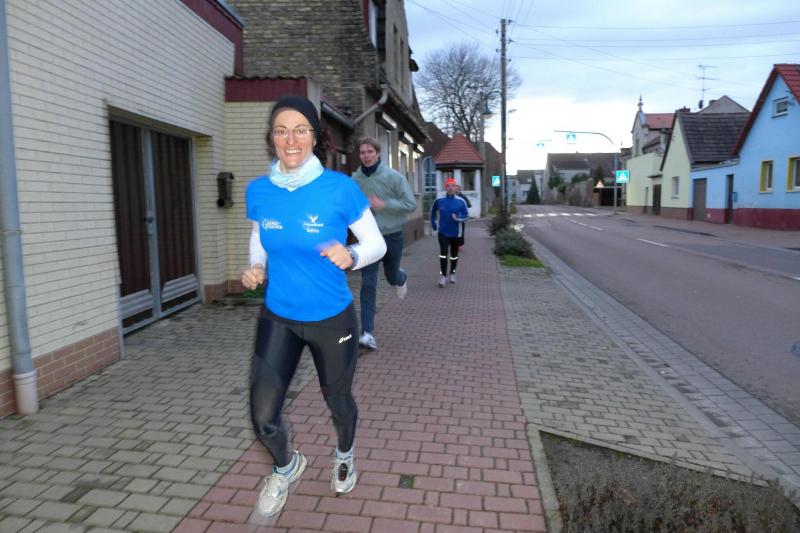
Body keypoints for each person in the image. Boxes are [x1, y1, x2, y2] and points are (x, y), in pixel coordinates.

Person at [241, 96, 386, 517]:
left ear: (315, 137)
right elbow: (260, 236)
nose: (291, 139)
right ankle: (286, 467)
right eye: (282, 130)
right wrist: (257, 265)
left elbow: (375, 243)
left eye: (300, 130)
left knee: (338, 400)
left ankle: (344, 454)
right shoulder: (259, 190)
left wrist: (352, 255)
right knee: (263, 416)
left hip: (332, 320)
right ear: (272, 138)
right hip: (279, 317)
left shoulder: (340, 188)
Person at [351, 137, 416, 351]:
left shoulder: (393, 177)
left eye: (370, 151)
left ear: (378, 153)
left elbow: (410, 204)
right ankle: (367, 333)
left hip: (392, 235)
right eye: (363, 152)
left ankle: (400, 277)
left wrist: (384, 204)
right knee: (368, 284)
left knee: (391, 276)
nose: (366, 156)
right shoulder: (354, 180)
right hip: (368, 238)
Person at [430, 178, 469, 287]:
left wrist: (457, 218)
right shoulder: (439, 200)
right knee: (443, 254)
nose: (450, 188)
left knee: (454, 255)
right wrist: (433, 223)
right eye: (448, 186)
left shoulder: (461, 201)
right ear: (445, 187)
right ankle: (443, 276)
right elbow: (432, 211)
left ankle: (452, 273)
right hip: (443, 232)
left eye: (452, 186)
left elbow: (466, 216)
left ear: (455, 187)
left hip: (456, 233)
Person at [454, 183, 471, 247]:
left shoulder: (463, 196)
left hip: (461, 217)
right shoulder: (452, 196)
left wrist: (465, 204)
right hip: (453, 216)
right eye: (455, 188)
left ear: (460, 189)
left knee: (461, 231)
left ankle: (459, 244)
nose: (456, 189)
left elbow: (469, 205)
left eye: (458, 188)